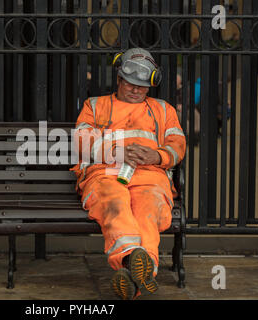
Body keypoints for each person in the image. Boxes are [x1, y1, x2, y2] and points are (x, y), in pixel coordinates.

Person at [70, 48, 186, 300]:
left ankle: (130, 268)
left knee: (148, 209)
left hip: (150, 175)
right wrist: (116, 151)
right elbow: (80, 141)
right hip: (106, 174)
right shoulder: (95, 106)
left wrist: (158, 156)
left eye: (142, 86)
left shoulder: (163, 110)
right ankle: (137, 264)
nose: (135, 90)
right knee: (115, 204)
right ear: (120, 79)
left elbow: (177, 143)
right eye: (130, 84)